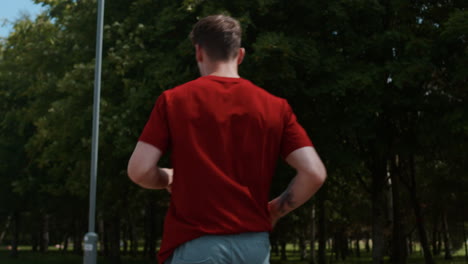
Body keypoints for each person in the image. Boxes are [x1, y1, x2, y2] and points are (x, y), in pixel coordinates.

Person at [127, 14, 326, 264]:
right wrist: (275, 210)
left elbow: (139, 170)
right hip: (254, 246)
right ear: (240, 54)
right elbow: (314, 173)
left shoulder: (174, 101)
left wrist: (168, 176)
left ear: (199, 52)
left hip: (197, 243)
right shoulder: (276, 107)